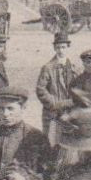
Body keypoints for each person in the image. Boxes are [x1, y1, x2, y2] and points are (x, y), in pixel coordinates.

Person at [35, 32, 80, 161]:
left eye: (63, 47)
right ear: (55, 48)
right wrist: (55, 103)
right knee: (51, 145)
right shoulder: (47, 68)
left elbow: (79, 88)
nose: (61, 50)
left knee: (70, 147)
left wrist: (73, 103)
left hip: (70, 113)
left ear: (68, 48)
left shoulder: (74, 67)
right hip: (53, 114)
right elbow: (40, 89)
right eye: (58, 47)